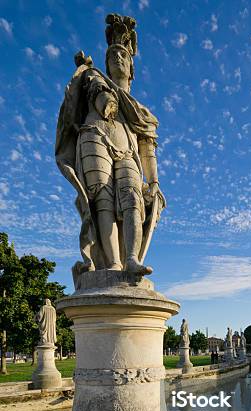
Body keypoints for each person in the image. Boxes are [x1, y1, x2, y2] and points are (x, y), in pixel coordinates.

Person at [55, 13, 165, 281]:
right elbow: (86, 100)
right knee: (101, 200)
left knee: (132, 199)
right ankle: (113, 263)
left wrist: (153, 181)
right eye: (112, 56)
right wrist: (90, 78)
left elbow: (146, 147)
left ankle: (131, 260)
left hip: (127, 148)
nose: (117, 59)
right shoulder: (94, 79)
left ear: (131, 67)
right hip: (94, 134)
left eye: (123, 56)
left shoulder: (141, 113)